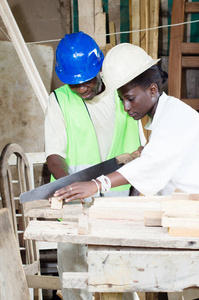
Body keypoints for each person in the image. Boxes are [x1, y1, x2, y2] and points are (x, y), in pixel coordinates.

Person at [45, 35, 145, 300]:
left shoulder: (124, 93)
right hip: (77, 212)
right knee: (76, 285)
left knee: (121, 285)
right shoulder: (59, 100)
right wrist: (70, 186)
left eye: (87, 80)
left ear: (100, 68)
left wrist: (135, 202)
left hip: (120, 211)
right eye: (74, 84)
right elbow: (54, 156)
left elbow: (143, 154)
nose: (81, 89)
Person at [53, 42, 199, 203]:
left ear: (152, 90)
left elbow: (151, 164)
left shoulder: (174, 118)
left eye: (130, 99)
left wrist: (97, 184)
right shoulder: (167, 113)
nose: (126, 107)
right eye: (122, 100)